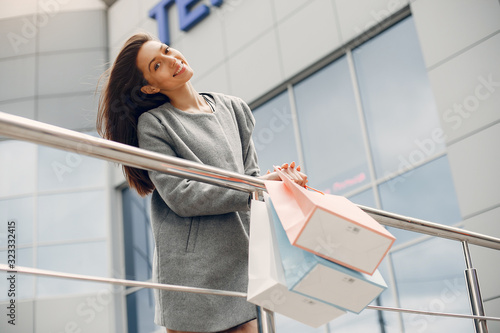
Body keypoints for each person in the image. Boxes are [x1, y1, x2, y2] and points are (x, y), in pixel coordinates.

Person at [96, 33, 307, 333]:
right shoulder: (155, 124)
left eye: (167, 50)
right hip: (191, 277)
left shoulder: (234, 109)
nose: (172, 60)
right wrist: (256, 186)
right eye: (157, 65)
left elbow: (253, 181)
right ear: (150, 86)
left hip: (240, 263)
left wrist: (280, 181)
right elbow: (183, 196)